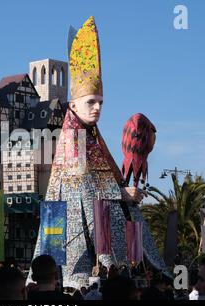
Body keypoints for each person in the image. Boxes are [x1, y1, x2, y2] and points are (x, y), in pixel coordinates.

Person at [28, 16, 167, 290]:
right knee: (74, 270)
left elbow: (97, 182)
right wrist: (121, 193)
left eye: (101, 103)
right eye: (91, 102)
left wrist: (123, 193)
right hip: (70, 220)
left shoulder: (90, 136)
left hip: (90, 216)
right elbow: (80, 186)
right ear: (74, 105)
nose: (97, 108)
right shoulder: (74, 137)